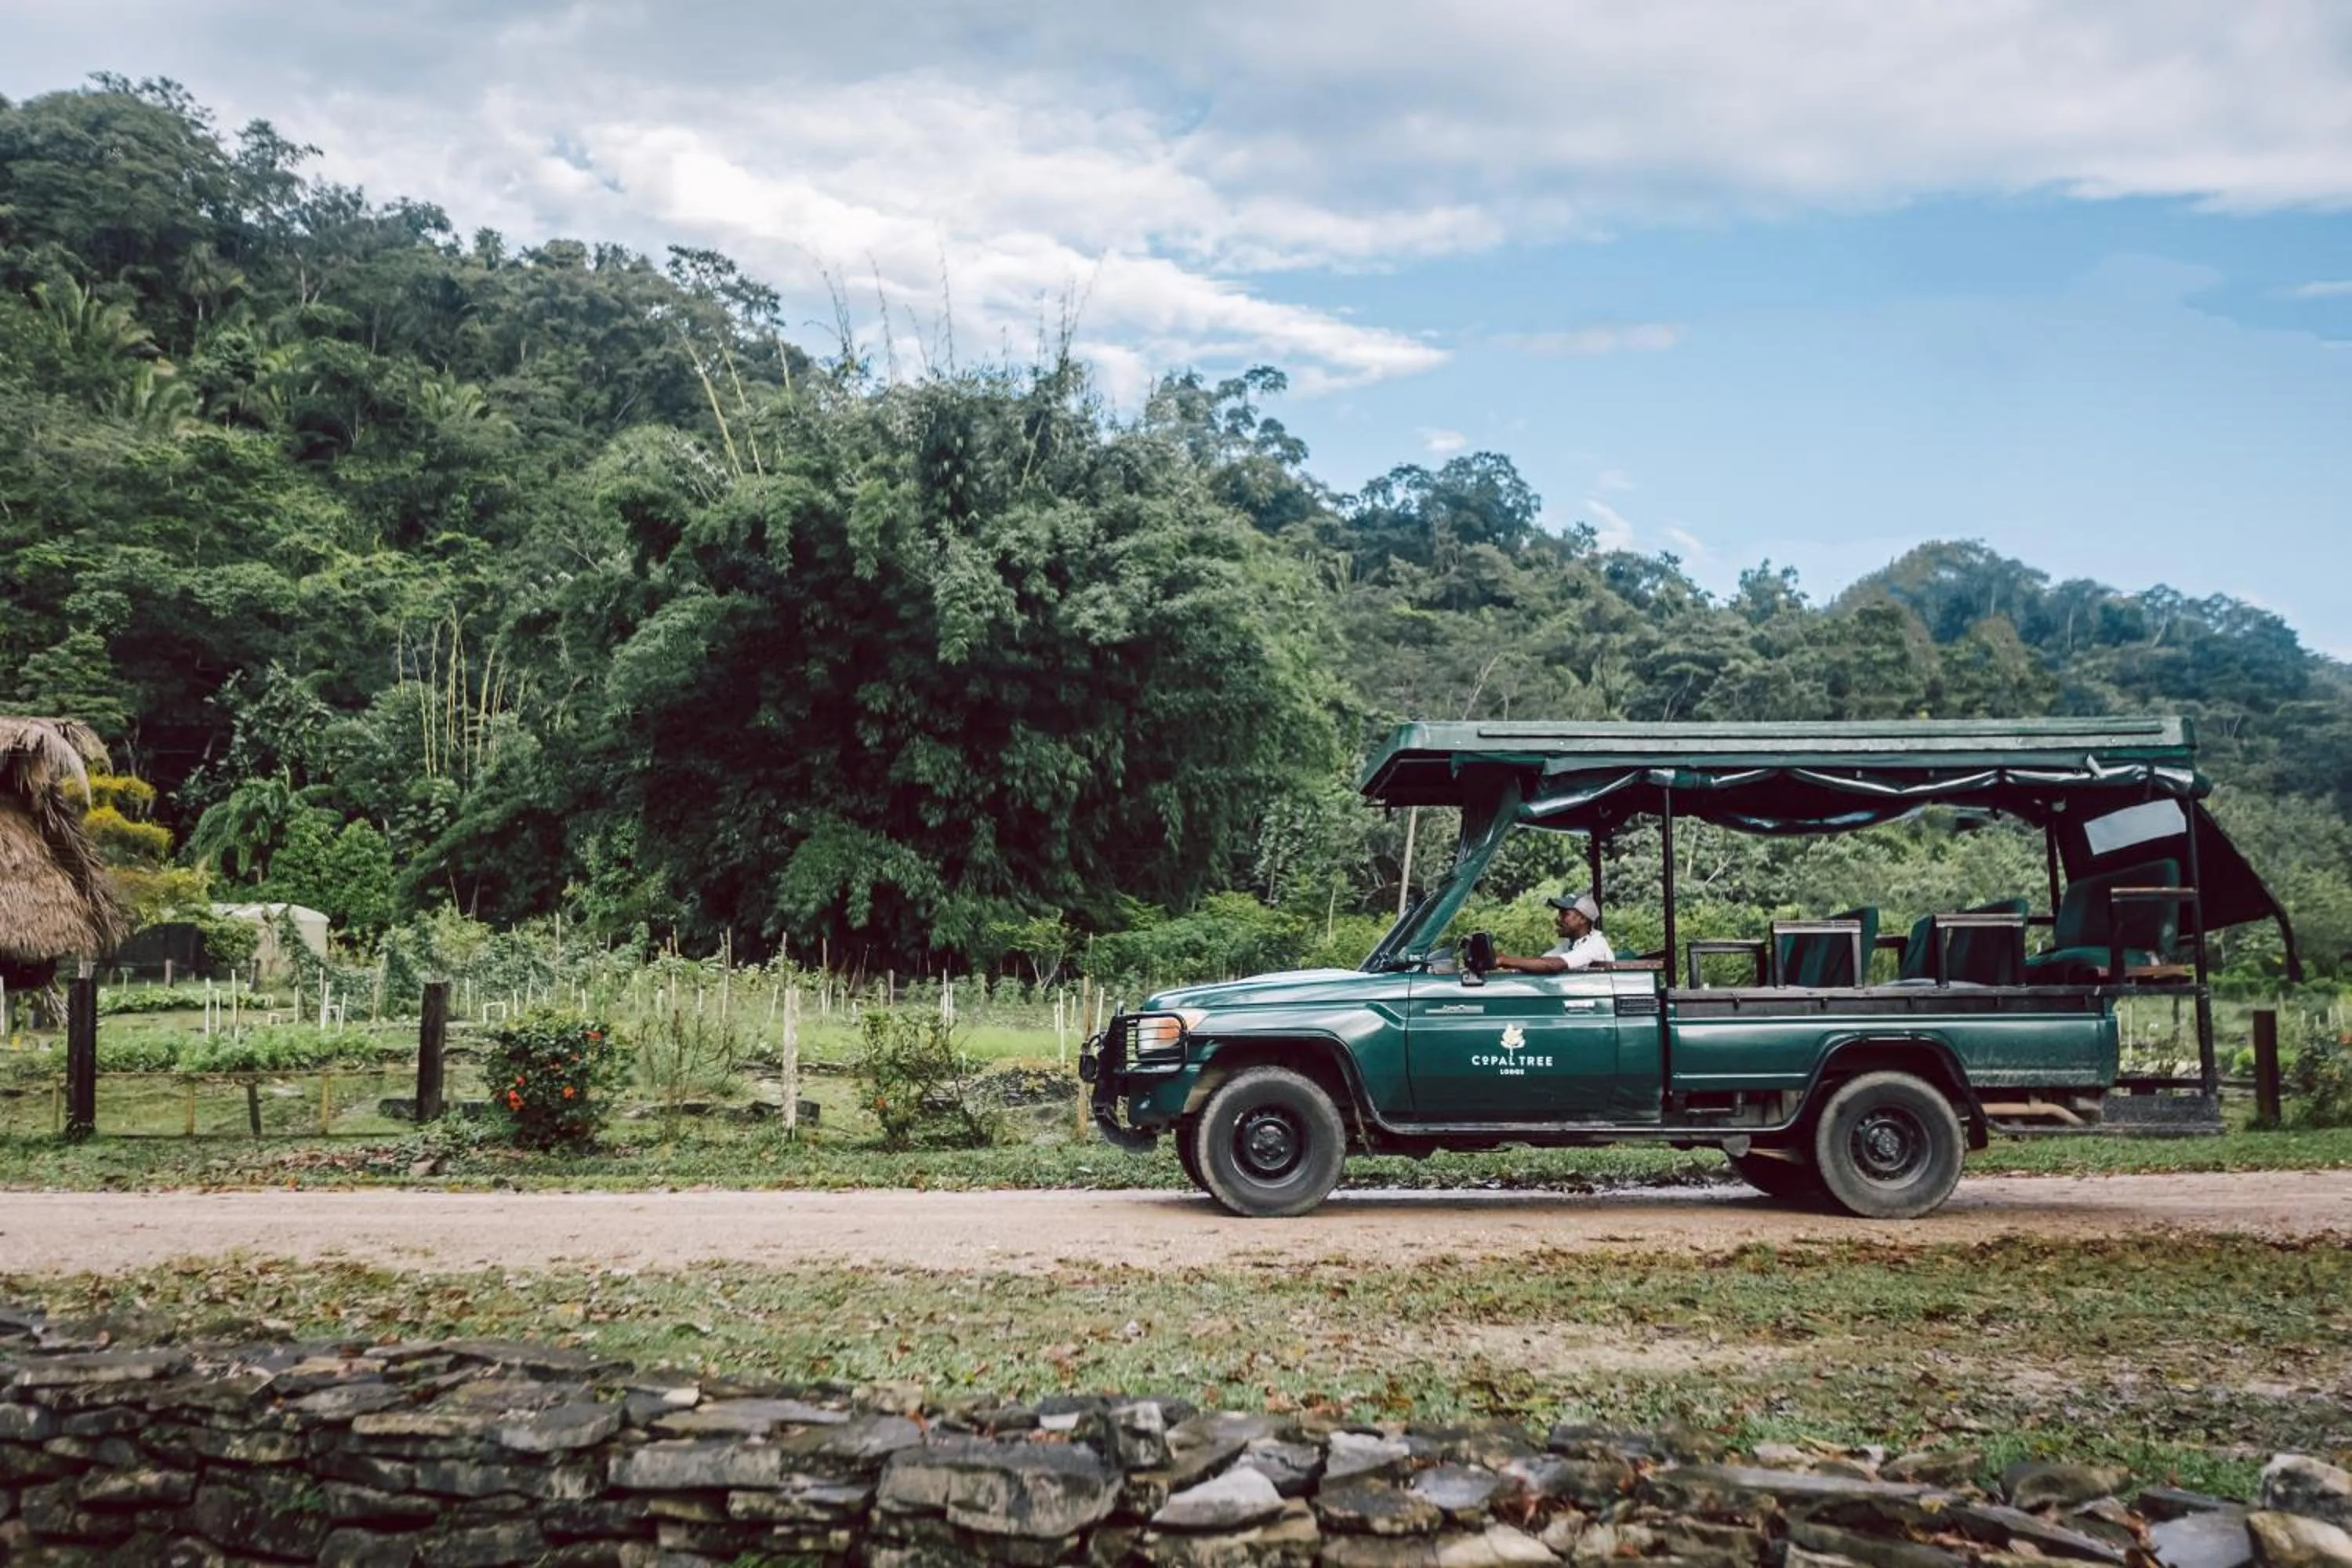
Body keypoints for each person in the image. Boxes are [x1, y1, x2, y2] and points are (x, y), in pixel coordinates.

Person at [1494, 891, 1615, 974]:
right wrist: (1503, 960)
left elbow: (1553, 965)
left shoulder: (1596, 944)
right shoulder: (1569, 945)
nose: (1558, 919)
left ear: (1582, 919)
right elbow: (1542, 962)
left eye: (1565, 914)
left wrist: (1504, 960)